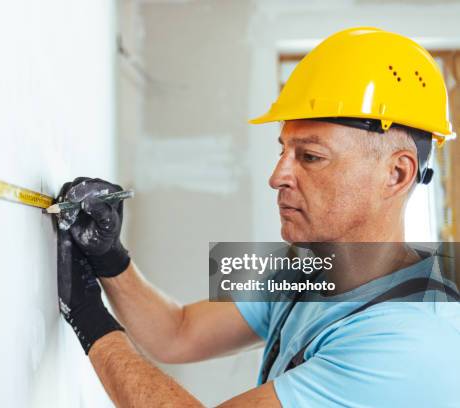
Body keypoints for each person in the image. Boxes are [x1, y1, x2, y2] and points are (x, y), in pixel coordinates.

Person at [56, 27, 460, 407]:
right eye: (282, 150)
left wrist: (88, 315)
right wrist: (109, 258)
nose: (277, 177)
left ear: (397, 174)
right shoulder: (307, 264)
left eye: (311, 157)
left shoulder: (413, 341)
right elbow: (177, 332)